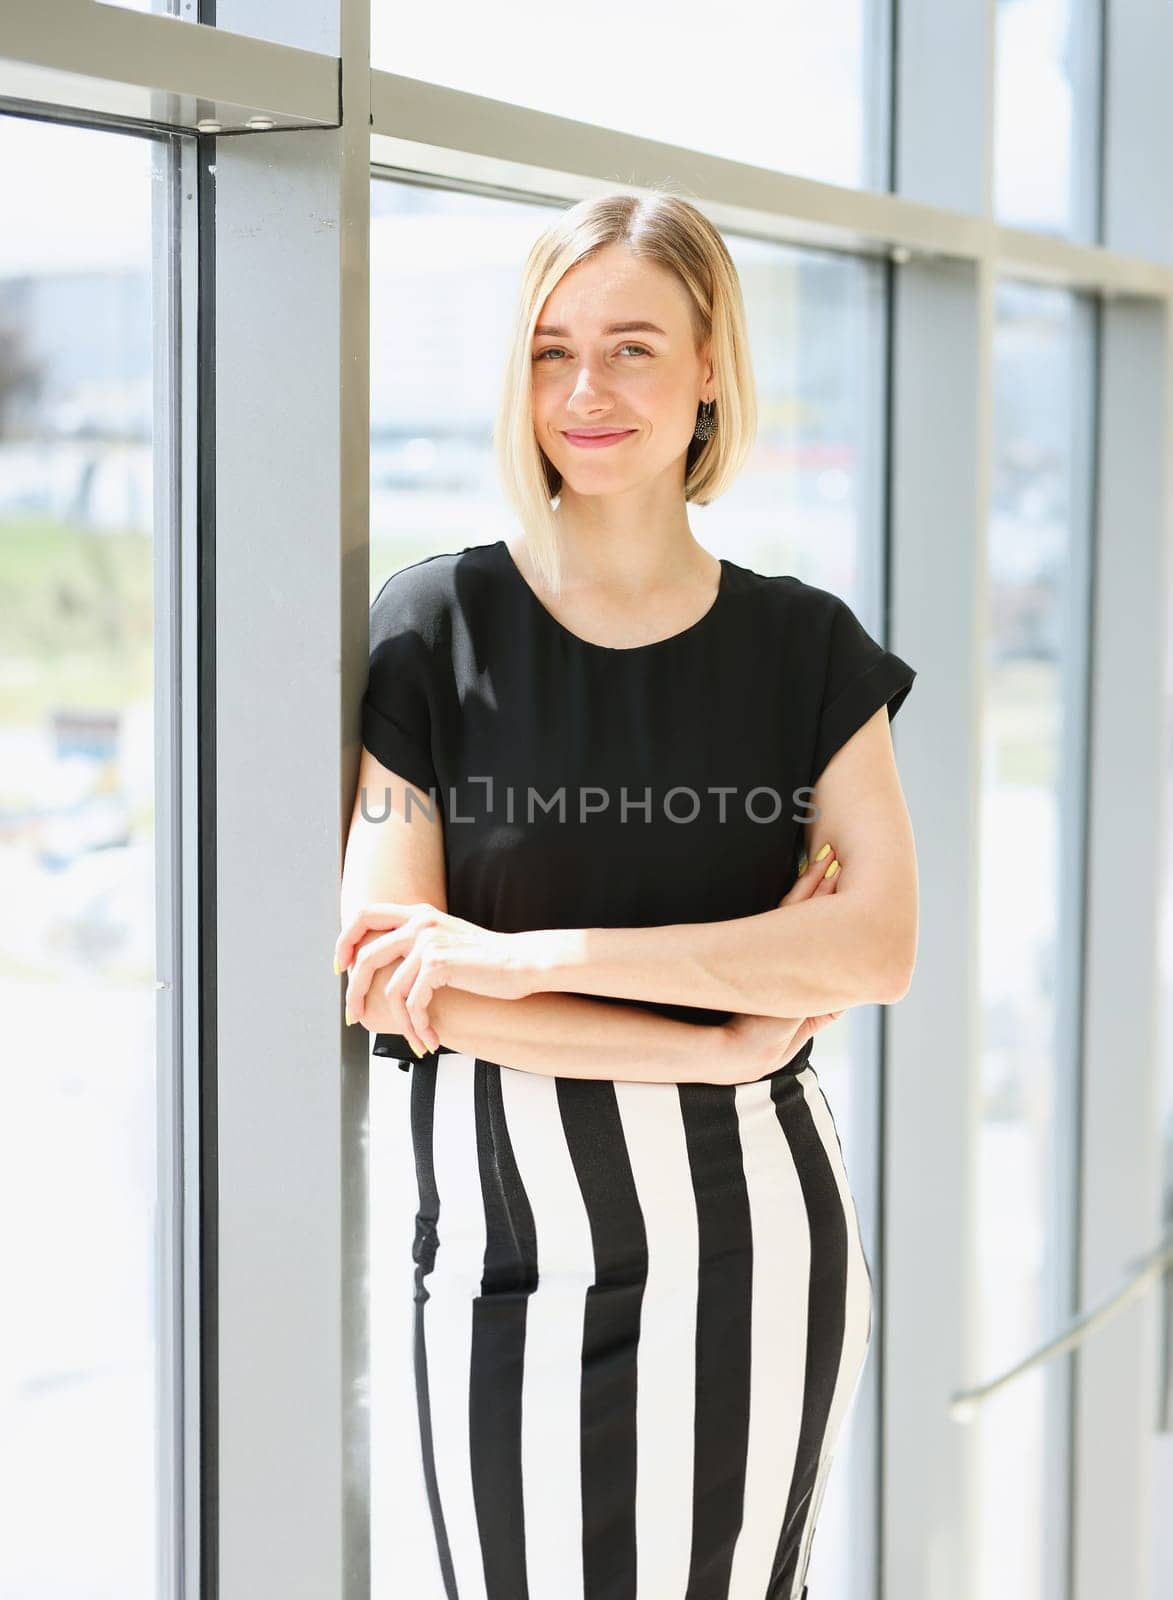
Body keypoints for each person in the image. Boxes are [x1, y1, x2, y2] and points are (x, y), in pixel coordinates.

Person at [335, 189, 918, 1600]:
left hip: (753, 1238)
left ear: (710, 364)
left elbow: (877, 945)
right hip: (497, 1240)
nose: (583, 390)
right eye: (549, 350)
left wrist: (524, 961)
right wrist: (717, 1028)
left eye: (632, 348)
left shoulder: (804, 650)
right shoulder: (431, 629)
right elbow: (395, 984)